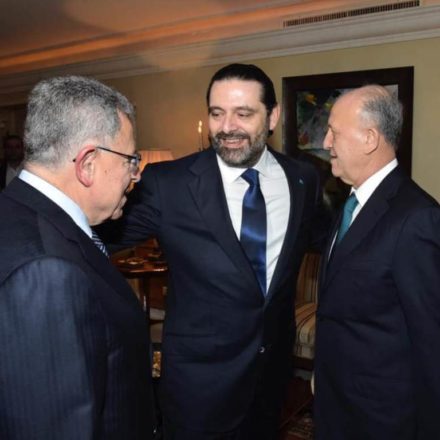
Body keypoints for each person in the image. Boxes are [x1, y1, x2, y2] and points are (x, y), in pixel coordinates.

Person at [108, 63, 324, 439]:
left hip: (270, 380)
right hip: (198, 390)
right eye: (217, 113)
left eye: (243, 114)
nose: (227, 127)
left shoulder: (302, 178)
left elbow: (327, 243)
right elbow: (93, 236)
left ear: (272, 116)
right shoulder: (168, 184)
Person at [0, 76, 156, 439]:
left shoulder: (16, 211)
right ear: (87, 163)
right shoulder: (46, 271)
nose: (135, 176)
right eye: (131, 160)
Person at [314, 85, 440, 439]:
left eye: (334, 132)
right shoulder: (352, 202)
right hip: (337, 404)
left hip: (382, 419)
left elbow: (431, 344)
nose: (325, 142)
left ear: (369, 139)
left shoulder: (417, 218)